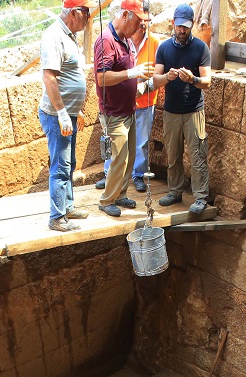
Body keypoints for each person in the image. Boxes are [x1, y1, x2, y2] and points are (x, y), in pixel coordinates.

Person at [39, 0, 98, 233]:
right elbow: (50, 78)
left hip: (68, 113)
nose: (88, 17)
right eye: (86, 12)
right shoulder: (54, 36)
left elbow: (68, 75)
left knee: (70, 163)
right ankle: (57, 217)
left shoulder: (69, 36)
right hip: (56, 115)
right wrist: (63, 113)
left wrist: (75, 110)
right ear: (74, 13)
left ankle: (67, 206)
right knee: (60, 166)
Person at [94, 0, 154, 218]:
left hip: (128, 108)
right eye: (138, 21)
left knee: (128, 157)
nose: (139, 26)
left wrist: (138, 82)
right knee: (119, 158)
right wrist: (131, 73)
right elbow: (101, 77)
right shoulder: (106, 41)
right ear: (126, 15)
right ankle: (106, 200)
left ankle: (120, 194)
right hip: (113, 112)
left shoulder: (126, 40)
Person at [153, 3, 211, 214]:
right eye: (179, 26)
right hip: (171, 111)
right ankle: (175, 191)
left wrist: (193, 79)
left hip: (194, 111)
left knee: (197, 156)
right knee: (173, 156)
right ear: (173, 24)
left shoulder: (201, 48)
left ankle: (201, 197)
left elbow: (207, 81)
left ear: (192, 24)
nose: (182, 30)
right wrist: (167, 77)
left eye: (186, 27)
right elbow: (156, 80)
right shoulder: (164, 48)